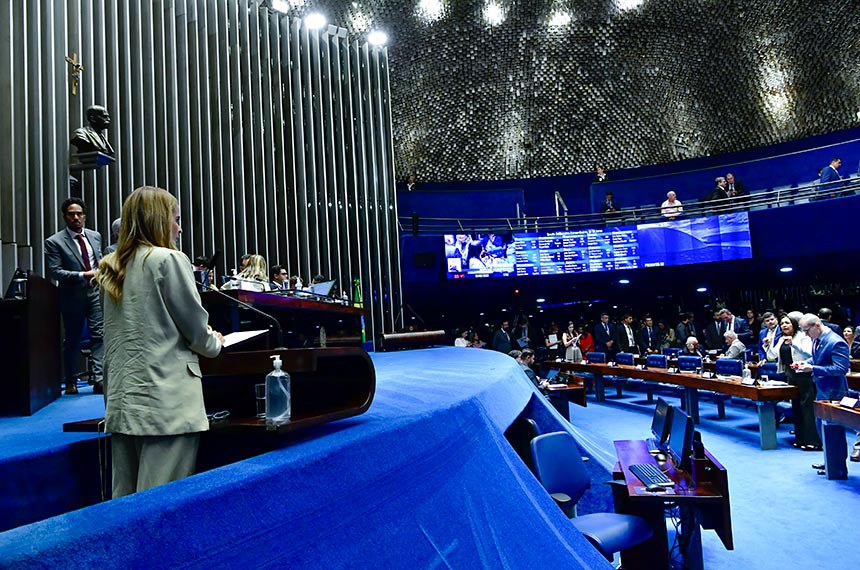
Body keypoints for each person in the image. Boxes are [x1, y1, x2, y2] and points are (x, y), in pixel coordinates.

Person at [96, 186, 224, 498]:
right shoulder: (168, 260)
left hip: (124, 402)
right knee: (160, 504)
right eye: (175, 219)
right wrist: (215, 342)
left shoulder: (111, 265)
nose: (179, 228)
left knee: (124, 500)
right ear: (158, 220)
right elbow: (196, 331)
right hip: (167, 403)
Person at [44, 197, 105, 395]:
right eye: (71, 214)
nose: (76, 217)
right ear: (65, 217)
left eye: (79, 214)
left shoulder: (95, 236)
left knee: (99, 335)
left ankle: (99, 379)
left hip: (95, 293)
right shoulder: (54, 242)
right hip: (72, 296)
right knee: (72, 339)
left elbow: (99, 262)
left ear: (85, 216)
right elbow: (55, 272)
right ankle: (70, 380)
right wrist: (82, 275)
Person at [773, 314, 819, 450]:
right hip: (791, 376)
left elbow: (810, 353)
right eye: (782, 323)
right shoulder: (781, 339)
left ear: (794, 324)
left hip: (804, 375)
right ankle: (800, 439)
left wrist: (793, 344)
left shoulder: (802, 337)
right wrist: (768, 344)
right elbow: (772, 355)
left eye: (787, 323)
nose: (784, 325)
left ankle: (813, 441)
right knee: (796, 407)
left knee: (807, 408)